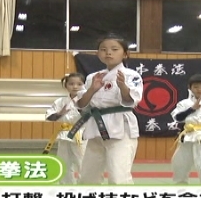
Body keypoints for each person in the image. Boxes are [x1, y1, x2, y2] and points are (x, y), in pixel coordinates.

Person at [69, 34, 143, 184]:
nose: (108, 52)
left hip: (121, 128)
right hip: (96, 128)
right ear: (98, 54)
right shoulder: (93, 77)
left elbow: (131, 101)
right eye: (103, 49)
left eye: (114, 49)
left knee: (118, 177)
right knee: (87, 177)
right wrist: (92, 89)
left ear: (125, 54)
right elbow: (81, 104)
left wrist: (123, 86)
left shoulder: (132, 75)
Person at [45, 72, 87, 185]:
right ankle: (66, 186)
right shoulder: (60, 102)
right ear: (66, 85)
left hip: (81, 134)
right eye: (71, 84)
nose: (75, 86)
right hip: (64, 135)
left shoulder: (87, 100)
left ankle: (85, 187)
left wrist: (81, 108)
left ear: (84, 85)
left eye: (79, 84)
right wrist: (61, 113)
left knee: (82, 162)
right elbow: (49, 117)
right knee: (64, 162)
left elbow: (91, 116)